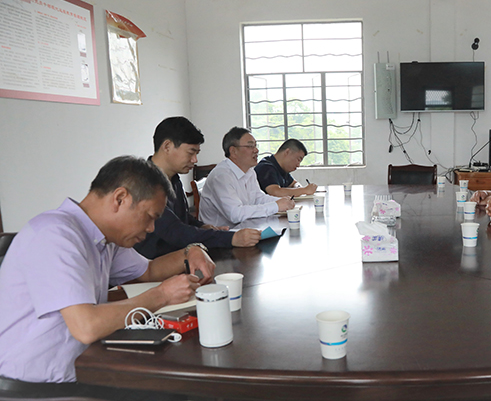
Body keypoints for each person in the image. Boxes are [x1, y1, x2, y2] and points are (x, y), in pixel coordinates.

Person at [0, 156, 214, 399]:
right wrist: (162, 295)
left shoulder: (102, 237)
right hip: (33, 390)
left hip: (86, 372)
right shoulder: (55, 234)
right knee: (183, 392)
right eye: (150, 216)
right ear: (120, 199)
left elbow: (149, 270)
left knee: (183, 389)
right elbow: (86, 327)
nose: (151, 228)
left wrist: (191, 251)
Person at [134, 117, 261, 259]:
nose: (195, 160)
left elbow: (181, 216)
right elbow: (175, 231)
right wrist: (232, 238)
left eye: (196, 154)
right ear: (167, 146)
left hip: (179, 255)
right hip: (153, 263)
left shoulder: (173, 178)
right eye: (190, 152)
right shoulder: (146, 184)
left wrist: (201, 226)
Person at [200, 127, 295, 227]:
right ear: (233, 151)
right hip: (223, 233)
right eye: (250, 146)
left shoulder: (249, 171)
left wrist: (282, 201)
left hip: (244, 228)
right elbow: (235, 214)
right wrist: (276, 206)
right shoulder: (221, 176)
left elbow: (258, 198)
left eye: (255, 145)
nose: (256, 150)